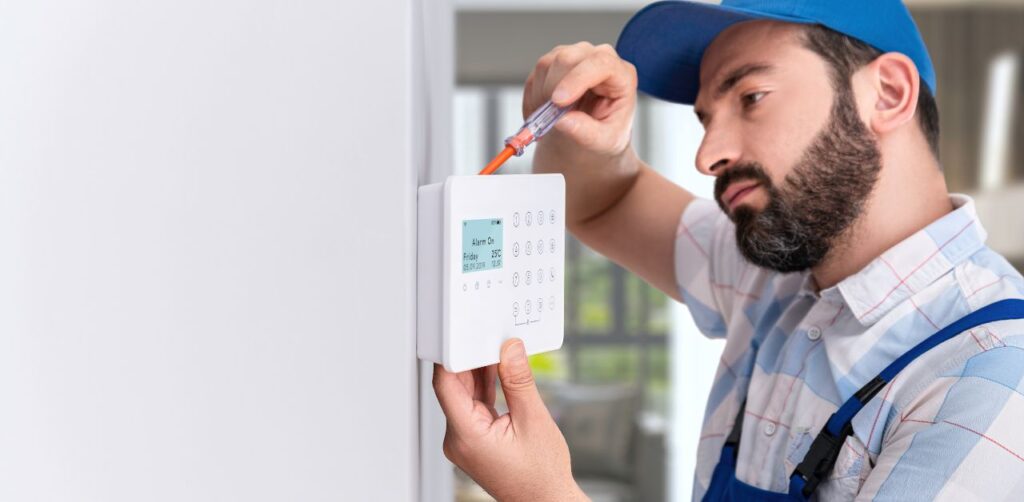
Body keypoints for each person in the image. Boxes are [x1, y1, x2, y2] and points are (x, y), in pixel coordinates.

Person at [433, 0, 1024, 500]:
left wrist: (540, 492)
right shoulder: (779, 279)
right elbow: (604, 204)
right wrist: (585, 133)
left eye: (751, 97)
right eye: (705, 119)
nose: (706, 155)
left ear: (888, 93)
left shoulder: (991, 378)